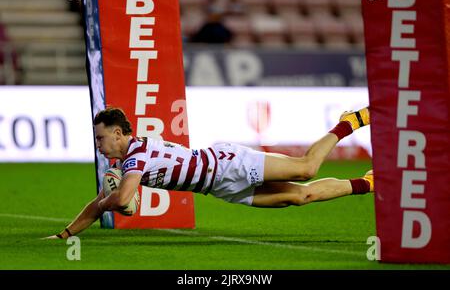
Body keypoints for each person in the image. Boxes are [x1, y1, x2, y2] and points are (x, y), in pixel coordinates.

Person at [45, 106, 372, 239]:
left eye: (101, 137)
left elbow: (125, 199)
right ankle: (369, 182)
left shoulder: (135, 157)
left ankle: (348, 122)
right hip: (220, 187)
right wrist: (65, 234)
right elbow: (100, 201)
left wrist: (110, 202)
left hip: (226, 163)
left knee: (306, 169)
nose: (98, 144)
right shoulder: (128, 161)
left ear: (118, 134)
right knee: (302, 196)